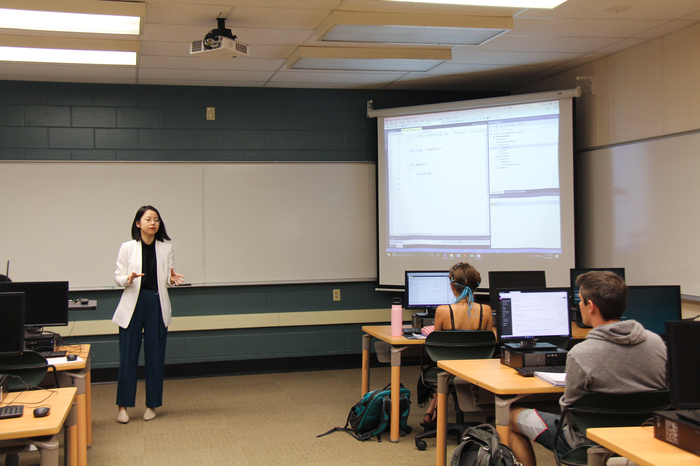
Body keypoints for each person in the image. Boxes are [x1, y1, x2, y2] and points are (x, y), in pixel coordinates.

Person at [507, 271, 667, 466]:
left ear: (590, 306)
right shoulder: (656, 343)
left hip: (587, 443)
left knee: (510, 416)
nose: (579, 306)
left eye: (580, 301)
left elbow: (571, 414)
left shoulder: (581, 353)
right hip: (642, 436)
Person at [112, 205, 184, 424]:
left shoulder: (166, 248)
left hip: (156, 302)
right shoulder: (127, 247)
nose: (153, 223)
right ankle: (123, 406)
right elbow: (118, 278)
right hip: (133, 303)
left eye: (156, 220)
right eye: (148, 219)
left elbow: (168, 278)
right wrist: (129, 278)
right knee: (128, 356)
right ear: (138, 223)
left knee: (154, 357)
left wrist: (171, 280)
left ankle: (152, 404)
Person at [421, 262, 493, 424]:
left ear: (453, 287)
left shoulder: (442, 311)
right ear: (476, 285)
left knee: (442, 367)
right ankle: (434, 406)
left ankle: (434, 406)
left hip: (449, 367)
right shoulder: (486, 311)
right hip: (476, 369)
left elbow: (437, 345)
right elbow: (488, 343)